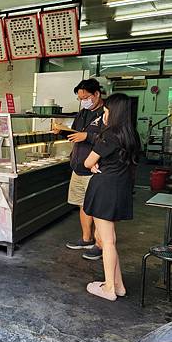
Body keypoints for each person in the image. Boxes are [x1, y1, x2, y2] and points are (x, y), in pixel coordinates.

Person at [83, 93, 140, 301]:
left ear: (114, 113)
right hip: (120, 188)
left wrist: (95, 163)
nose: (104, 114)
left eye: (106, 111)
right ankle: (118, 285)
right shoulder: (131, 135)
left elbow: (87, 163)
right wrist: (100, 162)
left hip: (105, 189)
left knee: (105, 240)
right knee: (109, 239)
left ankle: (108, 289)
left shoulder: (109, 135)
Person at [64, 78, 105, 261]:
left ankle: (100, 244)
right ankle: (86, 238)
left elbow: (110, 139)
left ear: (97, 94)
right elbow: (75, 135)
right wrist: (62, 131)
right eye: (80, 98)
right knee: (83, 204)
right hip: (78, 167)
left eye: (86, 97)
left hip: (95, 169)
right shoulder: (82, 113)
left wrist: (87, 136)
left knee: (97, 209)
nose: (84, 101)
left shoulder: (106, 114)